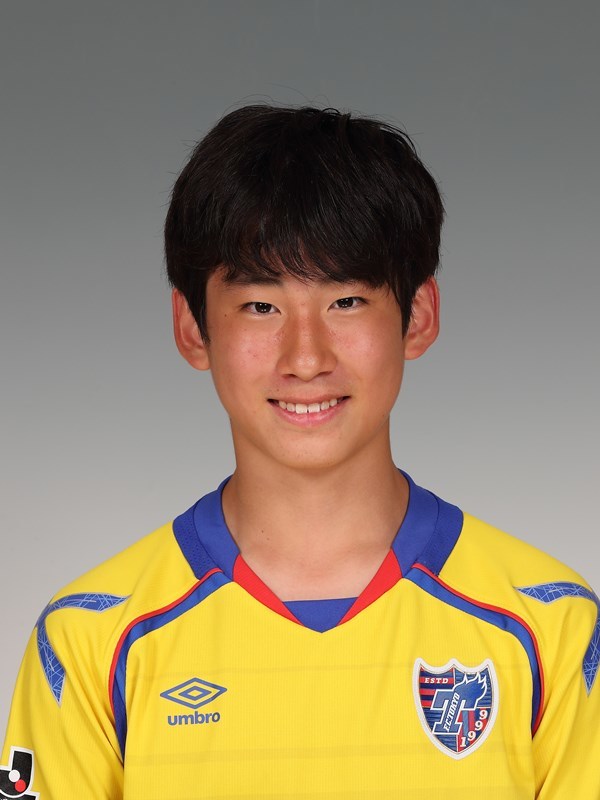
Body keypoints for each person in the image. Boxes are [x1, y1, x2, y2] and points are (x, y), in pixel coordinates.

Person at [1, 105, 598, 799]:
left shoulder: (551, 629)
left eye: (346, 302)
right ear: (193, 328)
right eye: (261, 306)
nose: (306, 357)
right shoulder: (89, 641)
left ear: (419, 316)